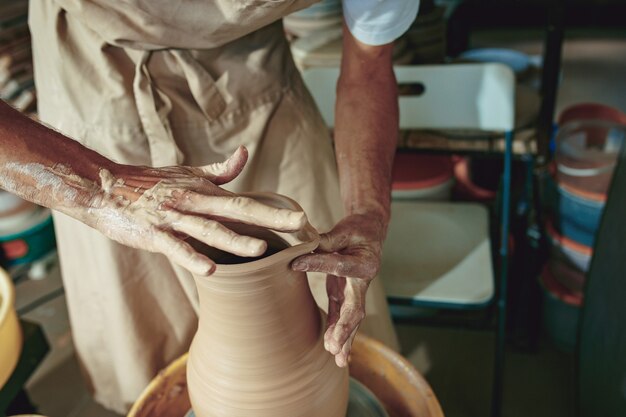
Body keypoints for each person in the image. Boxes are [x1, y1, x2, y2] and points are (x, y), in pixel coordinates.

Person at [0, 0, 419, 413]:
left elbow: (368, 62)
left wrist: (368, 210)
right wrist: (101, 189)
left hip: (252, 86)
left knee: (333, 286)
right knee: (140, 338)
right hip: (93, 91)